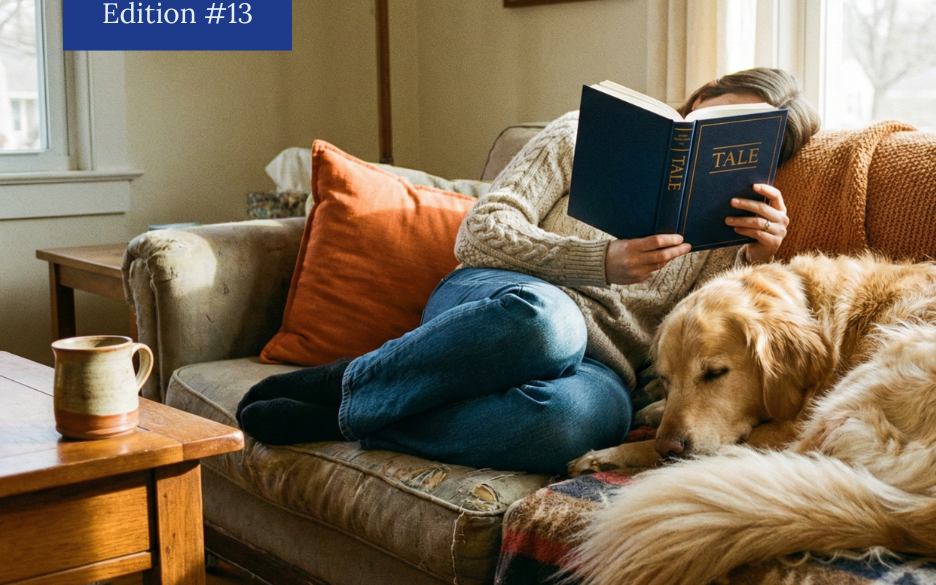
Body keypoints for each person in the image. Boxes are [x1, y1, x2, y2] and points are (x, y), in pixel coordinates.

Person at [236, 68, 821, 475]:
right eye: (720, 113)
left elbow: (686, 359)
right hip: (502, 304)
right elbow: (479, 232)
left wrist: (757, 260)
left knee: (571, 426)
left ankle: (352, 414)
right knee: (548, 325)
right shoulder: (580, 132)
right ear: (704, 97)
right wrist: (602, 261)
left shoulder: (731, 237)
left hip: (600, 365)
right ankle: (354, 380)